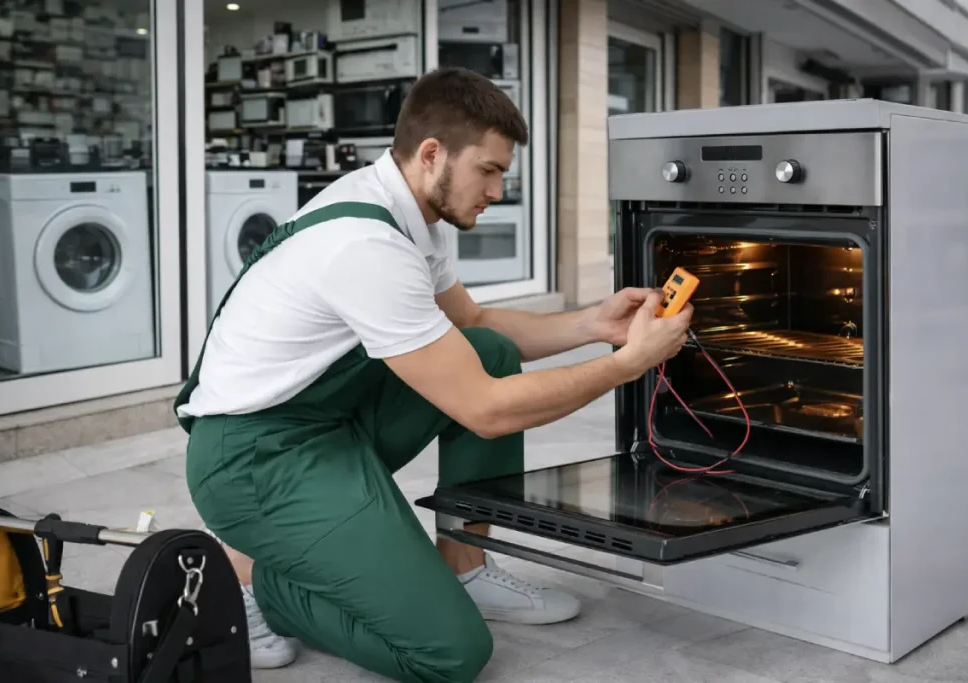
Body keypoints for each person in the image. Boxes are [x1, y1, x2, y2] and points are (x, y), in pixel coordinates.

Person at [173, 66, 693, 683]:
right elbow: (487, 410)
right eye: (490, 170)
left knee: (485, 350)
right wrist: (627, 363)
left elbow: (472, 321)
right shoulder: (366, 243)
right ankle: (251, 579)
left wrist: (593, 325)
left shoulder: (408, 212)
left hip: (326, 428)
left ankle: (465, 564)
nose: (498, 189)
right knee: (449, 653)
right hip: (255, 460)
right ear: (432, 154)